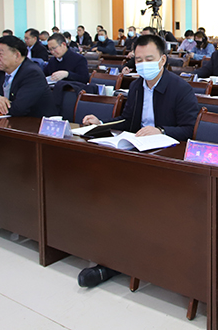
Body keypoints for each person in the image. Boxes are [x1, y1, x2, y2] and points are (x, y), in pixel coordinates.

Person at [78, 34, 199, 288]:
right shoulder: (136, 87)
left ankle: (135, 260)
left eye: (149, 59)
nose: (143, 64)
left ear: (163, 60)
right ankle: (109, 258)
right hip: (137, 154)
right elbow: (128, 120)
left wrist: (161, 130)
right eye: (139, 59)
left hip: (167, 161)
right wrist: (103, 124)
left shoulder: (180, 88)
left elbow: (190, 129)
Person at [0, 35, 56, 117]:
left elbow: (19, 108)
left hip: (34, 121)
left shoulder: (32, 73)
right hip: (9, 120)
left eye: (0, 54)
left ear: (17, 56)